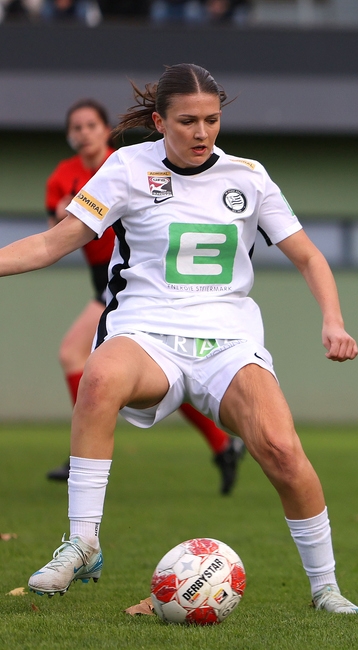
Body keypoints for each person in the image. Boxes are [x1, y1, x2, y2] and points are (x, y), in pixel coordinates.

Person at [5, 64, 358, 614]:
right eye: (188, 121)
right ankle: (83, 542)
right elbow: (53, 243)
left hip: (228, 342)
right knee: (97, 376)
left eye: (212, 120)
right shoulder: (124, 167)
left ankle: (326, 589)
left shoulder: (249, 176)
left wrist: (333, 320)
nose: (201, 133)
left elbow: (310, 256)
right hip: (145, 332)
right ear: (159, 121)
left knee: (285, 454)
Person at [44, 98, 246, 495]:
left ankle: (82, 451)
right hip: (100, 278)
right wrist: (71, 214)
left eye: (91, 126)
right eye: (77, 128)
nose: (84, 133)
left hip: (135, 276)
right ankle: (224, 445)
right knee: (165, 374)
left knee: (78, 355)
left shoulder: (127, 165)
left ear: (106, 131)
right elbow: (58, 232)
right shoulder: (62, 176)